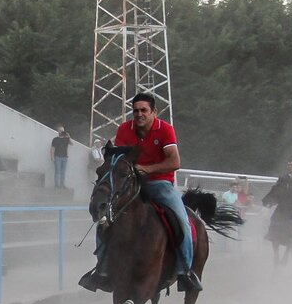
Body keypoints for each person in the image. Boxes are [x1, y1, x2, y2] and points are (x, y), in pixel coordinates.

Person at [79, 93, 202, 293]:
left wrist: (147, 169)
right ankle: (102, 269)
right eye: (135, 110)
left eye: (144, 110)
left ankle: (184, 271)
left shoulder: (165, 130)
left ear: (154, 112)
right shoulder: (124, 130)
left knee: (182, 222)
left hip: (160, 184)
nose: (139, 114)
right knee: (104, 220)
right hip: (130, 184)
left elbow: (175, 162)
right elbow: (119, 158)